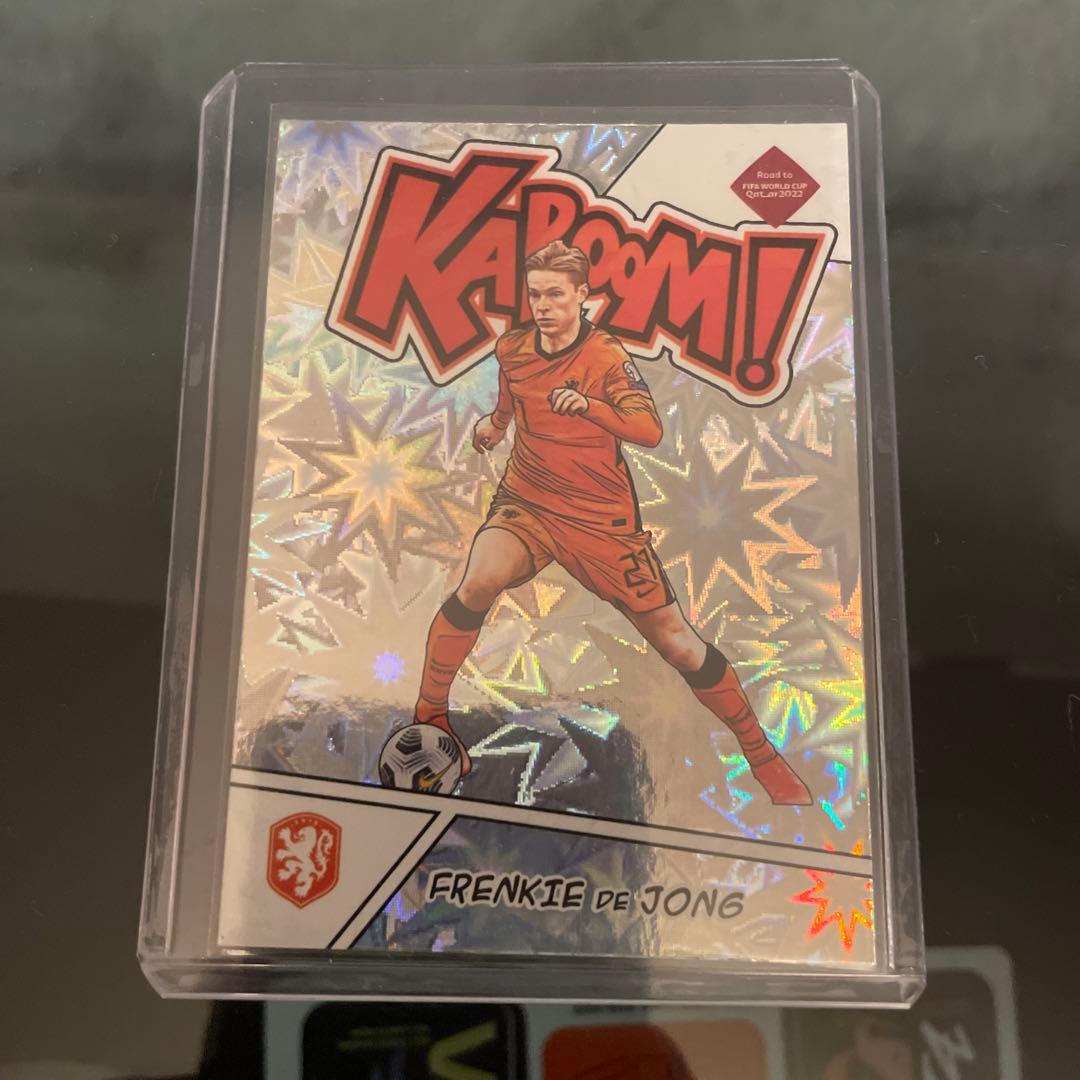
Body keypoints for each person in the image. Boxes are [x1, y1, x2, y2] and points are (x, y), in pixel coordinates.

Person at [411, 239, 811, 805]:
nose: (543, 305)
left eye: (555, 294)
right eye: (535, 294)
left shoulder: (604, 356)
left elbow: (649, 430)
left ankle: (763, 756)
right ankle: (429, 716)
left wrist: (591, 407)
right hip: (529, 499)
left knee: (678, 644)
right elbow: (512, 398)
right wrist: (495, 426)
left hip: (601, 521)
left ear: (582, 295)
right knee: (478, 581)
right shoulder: (514, 347)